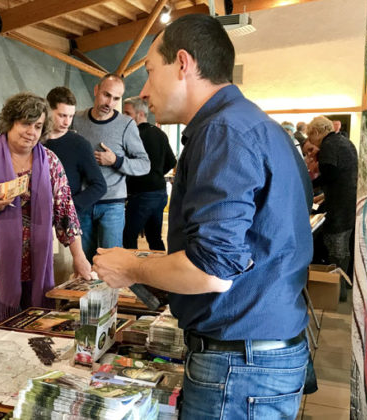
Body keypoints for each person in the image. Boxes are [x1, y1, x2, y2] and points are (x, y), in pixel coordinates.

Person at [92, 15, 313, 419]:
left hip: (240, 363)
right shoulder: (253, 125)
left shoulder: (223, 131)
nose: (144, 90)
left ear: (183, 63)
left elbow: (211, 270)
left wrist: (134, 267)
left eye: (150, 71)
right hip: (258, 353)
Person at [0, 92, 91, 324]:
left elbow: (66, 211)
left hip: (36, 260)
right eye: (25, 124)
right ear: (10, 122)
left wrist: (78, 256)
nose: (32, 132)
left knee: (36, 324)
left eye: (38, 126)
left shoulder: (49, 161)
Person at [72, 74, 150, 261]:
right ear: (96, 90)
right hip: (83, 203)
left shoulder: (126, 124)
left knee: (111, 262)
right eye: (107, 95)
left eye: (116, 98)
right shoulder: (76, 119)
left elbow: (144, 164)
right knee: (85, 263)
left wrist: (116, 160)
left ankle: (111, 292)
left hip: (112, 205)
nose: (110, 102)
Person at [307, 116, 357, 301]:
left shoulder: (329, 145)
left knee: (335, 247)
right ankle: (342, 288)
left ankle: (337, 291)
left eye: (311, 137)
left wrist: (308, 184)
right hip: (348, 203)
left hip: (339, 206)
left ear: (317, 132)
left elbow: (330, 176)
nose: (312, 143)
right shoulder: (344, 141)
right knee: (343, 248)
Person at [122, 96, 176, 250]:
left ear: (140, 114)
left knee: (128, 236)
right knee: (155, 238)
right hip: (159, 193)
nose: (123, 117)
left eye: (127, 113)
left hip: (141, 195)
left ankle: (131, 272)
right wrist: (156, 174)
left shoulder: (133, 136)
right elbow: (172, 162)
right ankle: (158, 272)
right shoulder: (160, 134)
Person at [44, 86, 106, 220]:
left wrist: (69, 208)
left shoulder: (80, 144)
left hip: (67, 219)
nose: (67, 122)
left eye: (71, 116)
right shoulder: (35, 141)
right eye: (62, 115)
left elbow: (99, 185)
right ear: (48, 110)